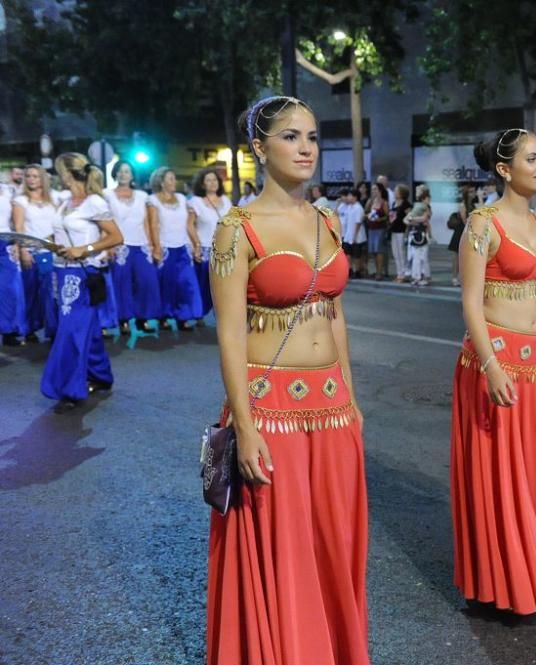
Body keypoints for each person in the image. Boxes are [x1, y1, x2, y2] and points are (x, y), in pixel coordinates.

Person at [206, 96, 369, 665]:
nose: (306, 148)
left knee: (332, 542)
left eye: (312, 137)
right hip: (268, 409)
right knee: (283, 551)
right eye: (291, 137)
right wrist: (244, 426)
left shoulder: (326, 218)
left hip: (331, 407)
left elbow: (337, 314)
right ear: (259, 147)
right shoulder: (236, 229)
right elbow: (228, 335)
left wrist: (349, 395)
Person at [452, 128, 536, 615]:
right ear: (505, 170)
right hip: (494, 362)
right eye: (533, 158)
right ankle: (499, 583)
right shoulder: (482, 224)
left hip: (533, 363)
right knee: (498, 477)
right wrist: (490, 366)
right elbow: (469, 302)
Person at [42, 153, 123, 412]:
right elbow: (62, 232)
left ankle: (68, 389)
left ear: (68, 173)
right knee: (85, 329)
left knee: (71, 332)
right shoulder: (66, 203)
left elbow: (115, 236)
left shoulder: (94, 202)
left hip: (83, 274)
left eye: (58, 171)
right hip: (61, 271)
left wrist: (84, 249)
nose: (57, 177)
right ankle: (101, 377)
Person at [104, 160, 161, 332]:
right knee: (122, 284)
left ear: (132, 175)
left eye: (127, 171)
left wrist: (151, 245)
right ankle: (124, 320)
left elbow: (146, 222)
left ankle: (143, 318)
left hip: (141, 244)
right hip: (120, 245)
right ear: (115, 173)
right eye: (120, 171)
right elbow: (106, 221)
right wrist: (108, 245)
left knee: (147, 281)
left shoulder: (143, 196)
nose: (123, 174)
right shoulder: (107, 194)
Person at [147, 167, 202, 329]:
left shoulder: (182, 198)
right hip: (166, 248)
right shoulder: (153, 200)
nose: (174, 182)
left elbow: (190, 223)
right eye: (170, 179)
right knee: (167, 284)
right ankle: (164, 316)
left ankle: (183, 316)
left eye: (174, 178)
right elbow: (153, 225)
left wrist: (195, 244)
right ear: (161, 182)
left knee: (186, 282)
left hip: (182, 247)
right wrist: (156, 247)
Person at [13, 164, 61, 341]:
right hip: (31, 253)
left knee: (51, 293)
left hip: (51, 252)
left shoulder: (54, 199)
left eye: (35, 176)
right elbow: (19, 228)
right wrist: (24, 250)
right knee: (31, 293)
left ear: (43, 178)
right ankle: (30, 329)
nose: (32, 179)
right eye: (28, 176)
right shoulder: (21, 201)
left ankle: (54, 329)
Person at [188, 167, 233, 319]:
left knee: (224, 285)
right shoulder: (196, 202)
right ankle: (199, 313)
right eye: (208, 180)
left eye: (215, 180)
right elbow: (190, 225)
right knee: (203, 285)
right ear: (202, 184)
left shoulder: (226, 201)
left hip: (225, 250)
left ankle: (222, 315)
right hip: (206, 248)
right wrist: (197, 246)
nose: (212, 183)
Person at [0, 187, 28, 345]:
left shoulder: (8, 190)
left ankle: (9, 331)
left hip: (5, 242)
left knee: (9, 289)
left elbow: (17, 222)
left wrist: (19, 244)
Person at [405, 185, 432, 286]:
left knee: (422, 257)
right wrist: (413, 221)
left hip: (422, 234)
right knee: (415, 256)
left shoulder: (425, 207)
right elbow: (406, 220)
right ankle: (417, 276)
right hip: (415, 233)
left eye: (418, 190)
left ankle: (423, 276)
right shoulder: (417, 206)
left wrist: (413, 220)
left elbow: (425, 219)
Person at [365, 182, 389, 280]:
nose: (373, 191)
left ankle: (380, 272)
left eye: (375, 189)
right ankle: (377, 270)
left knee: (379, 250)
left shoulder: (384, 202)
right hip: (372, 228)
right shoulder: (371, 201)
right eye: (372, 189)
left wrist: (380, 219)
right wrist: (368, 216)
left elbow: (387, 216)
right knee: (374, 251)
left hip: (380, 228)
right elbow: (366, 212)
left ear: (380, 190)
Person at [340, 188, 366, 278]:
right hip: (348, 234)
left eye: (350, 196)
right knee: (347, 253)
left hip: (356, 235)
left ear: (355, 197)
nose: (348, 197)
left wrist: (354, 235)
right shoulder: (349, 207)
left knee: (356, 255)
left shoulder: (358, 208)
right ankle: (349, 269)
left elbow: (358, 222)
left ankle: (357, 271)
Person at [389, 184, 412, 282]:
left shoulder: (406, 204)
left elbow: (409, 217)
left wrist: (407, 230)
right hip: (394, 230)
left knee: (402, 252)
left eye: (396, 191)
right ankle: (399, 273)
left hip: (402, 231)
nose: (394, 192)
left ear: (401, 193)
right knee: (395, 253)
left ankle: (405, 273)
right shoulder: (394, 203)